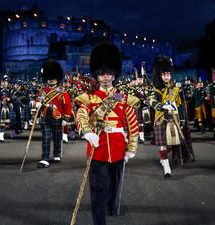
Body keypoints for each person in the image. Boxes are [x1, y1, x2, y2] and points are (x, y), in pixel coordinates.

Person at [75, 42, 139, 225]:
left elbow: (132, 124)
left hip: (119, 150)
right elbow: (81, 115)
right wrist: (87, 132)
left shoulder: (123, 98)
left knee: (113, 188)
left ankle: (111, 207)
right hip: (98, 150)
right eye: (102, 73)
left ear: (115, 73)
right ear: (97, 74)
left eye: (109, 73)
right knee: (97, 191)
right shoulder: (89, 98)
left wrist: (131, 149)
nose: (105, 77)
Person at [36, 60, 72, 168]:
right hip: (45, 116)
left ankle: (56, 153)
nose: (51, 79)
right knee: (46, 138)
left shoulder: (61, 91)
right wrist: (37, 103)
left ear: (57, 78)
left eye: (53, 77)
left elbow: (67, 105)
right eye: (49, 77)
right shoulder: (43, 90)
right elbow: (39, 100)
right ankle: (45, 158)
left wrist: (66, 118)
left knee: (57, 137)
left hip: (57, 117)